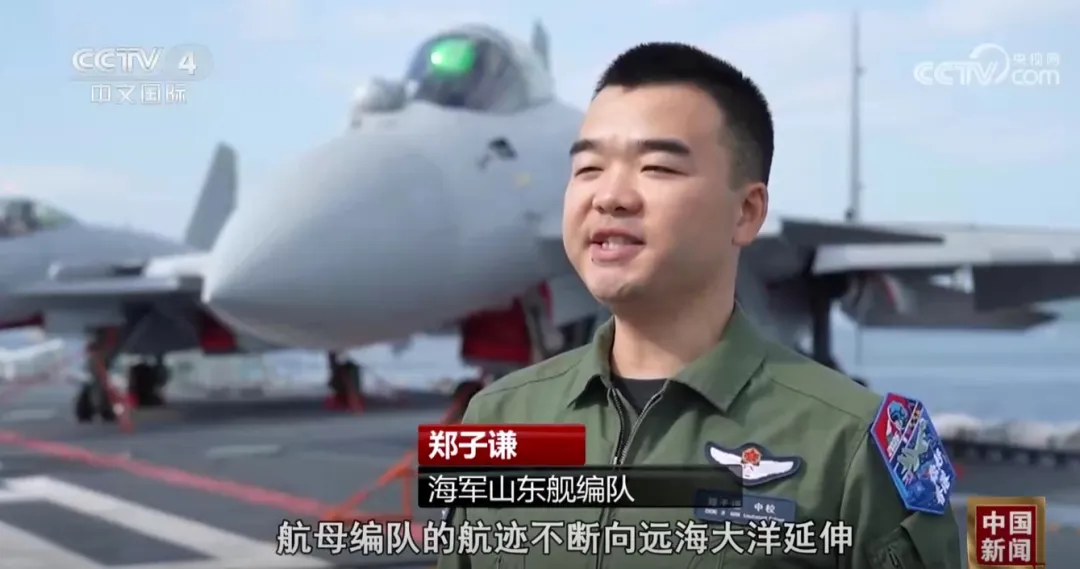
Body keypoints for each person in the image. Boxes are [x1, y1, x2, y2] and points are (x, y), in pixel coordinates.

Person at [437, 42, 961, 568]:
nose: (609, 196)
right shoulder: (496, 420)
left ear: (746, 212)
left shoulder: (859, 445)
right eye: (588, 168)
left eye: (657, 167)